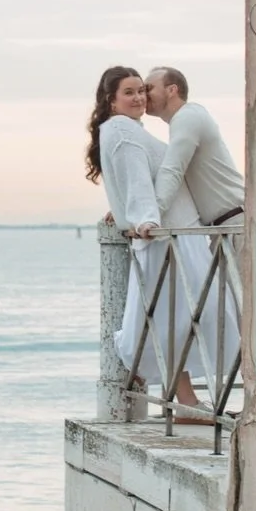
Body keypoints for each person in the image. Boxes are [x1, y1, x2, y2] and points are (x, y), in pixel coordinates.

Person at [85, 66, 213, 411]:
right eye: (129, 92)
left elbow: (128, 179)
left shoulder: (123, 130)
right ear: (111, 101)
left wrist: (122, 209)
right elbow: (138, 179)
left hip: (171, 234)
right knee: (182, 318)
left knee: (177, 319)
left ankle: (186, 401)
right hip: (166, 238)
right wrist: (143, 218)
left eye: (141, 90)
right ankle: (186, 402)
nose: (139, 97)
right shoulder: (123, 132)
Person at [144, 67, 244, 227]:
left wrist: (148, 216)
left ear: (172, 90)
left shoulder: (187, 117)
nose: (142, 95)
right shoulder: (187, 118)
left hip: (234, 223)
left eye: (148, 88)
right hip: (224, 225)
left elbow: (172, 170)